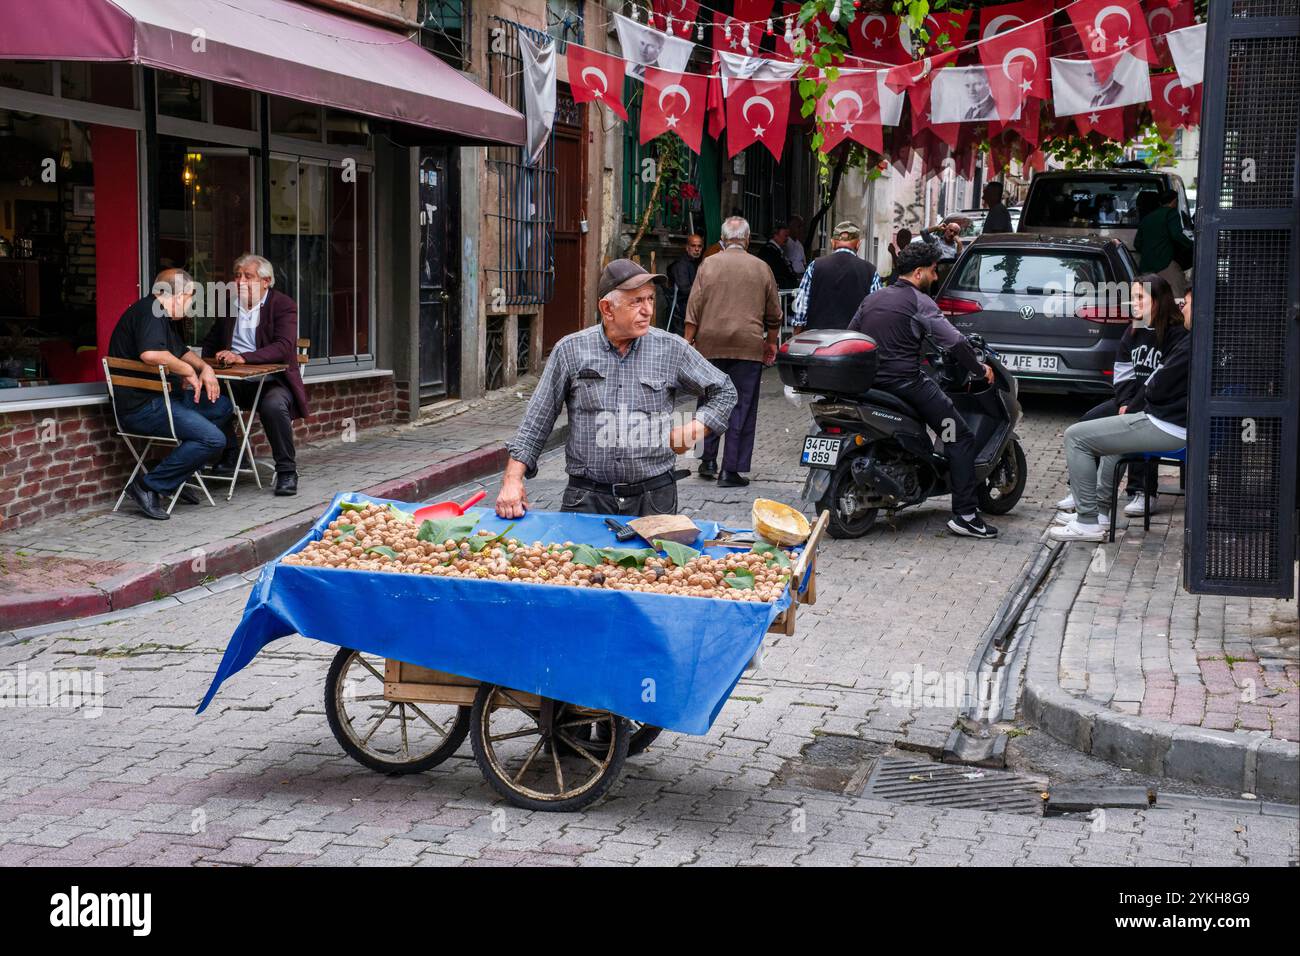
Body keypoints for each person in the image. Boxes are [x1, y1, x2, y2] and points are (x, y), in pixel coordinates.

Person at [496, 259, 736, 519]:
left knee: (655, 562)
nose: (647, 311)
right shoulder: (571, 350)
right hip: (587, 498)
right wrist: (512, 479)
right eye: (637, 302)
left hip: (654, 499)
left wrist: (696, 427)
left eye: (650, 300)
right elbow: (536, 421)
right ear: (607, 309)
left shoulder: (672, 349)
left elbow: (724, 390)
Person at [847, 242, 999, 539]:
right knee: (959, 436)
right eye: (932, 271)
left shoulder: (872, 299)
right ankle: (966, 515)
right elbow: (954, 342)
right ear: (918, 273)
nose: (935, 276)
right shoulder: (920, 302)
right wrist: (979, 369)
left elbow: (852, 335)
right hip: (908, 386)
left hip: (868, 387)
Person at [1050, 287, 1194, 542]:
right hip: (1163, 415)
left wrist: (1142, 399)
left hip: (1169, 423)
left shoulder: (1186, 339)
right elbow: (1124, 371)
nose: (1183, 306)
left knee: (1075, 437)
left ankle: (1089, 518)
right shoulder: (1138, 330)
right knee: (1101, 431)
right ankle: (1098, 512)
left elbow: (1157, 385)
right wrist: (1128, 401)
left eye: (1189, 302)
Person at [107, 269, 233, 520]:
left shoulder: (159, 314)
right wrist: (187, 370)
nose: (189, 308)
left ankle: (171, 473)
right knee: (213, 440)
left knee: (221, 407)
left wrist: (204, 367)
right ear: (180, 294)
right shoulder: (149, 311)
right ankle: (147, 487)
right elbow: (151, 354)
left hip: (164, 400)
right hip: (142, 407)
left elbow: (181, 350)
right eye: (189, 301)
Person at [200, 253, 309, 497]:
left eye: (247, 276)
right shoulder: (229, 304)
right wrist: (207, 365)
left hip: (272, 381)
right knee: (207, 397)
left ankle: (287, 471)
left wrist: (244, 357)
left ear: (266, 281)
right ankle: (231, 453)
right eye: (237, 276)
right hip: (234, 381)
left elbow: (283, 346)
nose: (240, 281)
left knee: (273, 406)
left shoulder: (283, 305)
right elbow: (211, 341)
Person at [685, 215, 782, 487]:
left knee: (708, 401)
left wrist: (687, 343)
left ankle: (707, 460)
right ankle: (731, 470)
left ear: (723, 241)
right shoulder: (762, 268)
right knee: (741, 406)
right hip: (747, 346)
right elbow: (774, 313)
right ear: (748, 240)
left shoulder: (708, 264)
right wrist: (771, 341)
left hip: (709, 345)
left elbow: (693, 308)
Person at [791, 220, 881, 330]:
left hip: (819, 339)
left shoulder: (815, 266)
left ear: (832, 242)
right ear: (858, 244)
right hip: (854, 340)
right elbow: (876, 311)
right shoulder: (870, 271)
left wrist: (796, 334)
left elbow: (801, 309)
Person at [1134, 189, 1192, 296]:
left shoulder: (1147, 217)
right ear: (1175, 201)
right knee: (1178, 293)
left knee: (1148, 296)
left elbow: (1137, 244)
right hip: (1165, 263)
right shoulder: (1171, 213)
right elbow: (1176, 235)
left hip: (1146, 266)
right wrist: (1191, 245)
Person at [665, 234, 703, 337]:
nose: (696, 249)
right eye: (693, 246)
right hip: (680, 311)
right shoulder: (681, 265)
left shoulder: (696, 262)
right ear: (687, 248)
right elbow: (685, 290)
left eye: (699, 246)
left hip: (689, 308)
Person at [754, 221, 799, 290]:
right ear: (775, 235)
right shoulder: (768, 250)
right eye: (785, 236)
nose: (787, 239)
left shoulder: (777, 250)